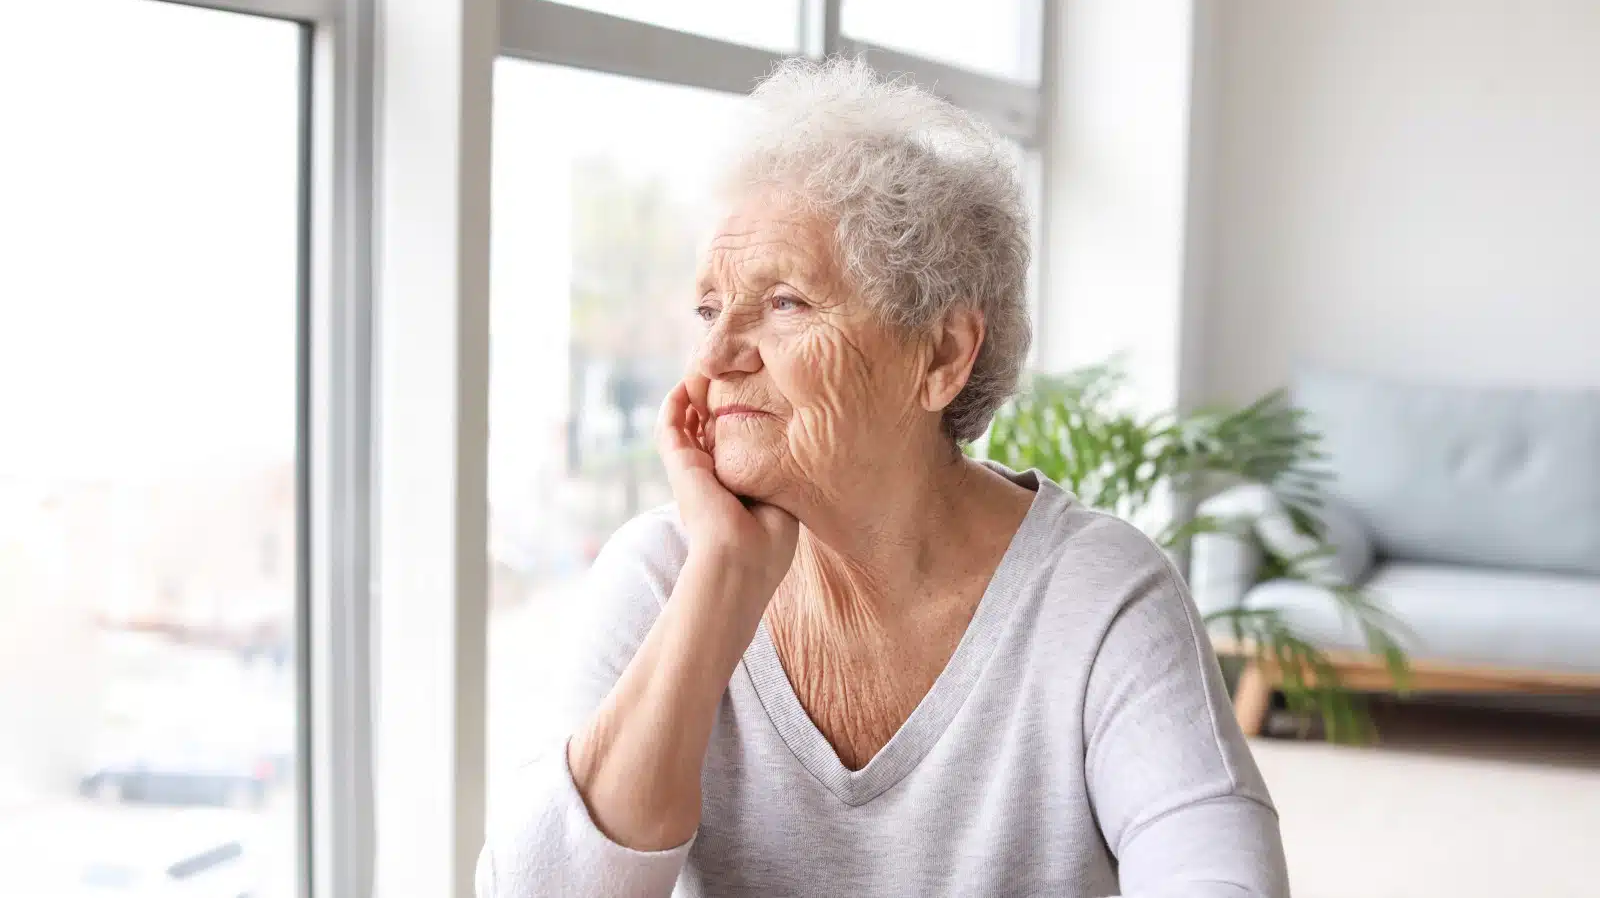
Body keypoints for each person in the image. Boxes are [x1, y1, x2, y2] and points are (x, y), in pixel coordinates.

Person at [477, 58, 1288, 897]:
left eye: (785, 302)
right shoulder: (660, 573)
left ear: (940, 355)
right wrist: (717, 583)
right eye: (711, 308)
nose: (714, 357)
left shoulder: (1096, 594)